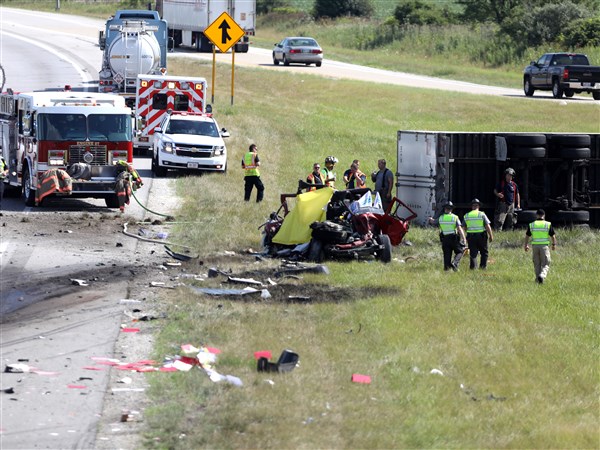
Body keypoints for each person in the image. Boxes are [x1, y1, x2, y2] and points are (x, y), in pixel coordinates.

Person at [428, 201, 466, 271]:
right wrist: (464, 239)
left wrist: (430, 219)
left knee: (447, 255)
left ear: (445, 209)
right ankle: (455, 263)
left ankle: (446, 269)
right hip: (454, 238)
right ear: (451, 209)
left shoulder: (441, 218)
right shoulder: (455, 217)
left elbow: (433, 222)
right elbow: (459, 229)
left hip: (445, 239)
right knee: (460, 251)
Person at [524, 209, 557, 283]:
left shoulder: (532, 224)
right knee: (546, 262)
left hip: (535, 247)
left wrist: (526, 245)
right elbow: (553, 236)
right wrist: (554, 244)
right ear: (544, 215)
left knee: (537, 264)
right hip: (544, 247)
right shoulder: (547, 224)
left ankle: (537, 280)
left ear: (536, 215)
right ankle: (542, 275)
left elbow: (527, 236)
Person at [463, 198, 494, 270]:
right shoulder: (482, 214)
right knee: (484, 252)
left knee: (473, 253)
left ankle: (473, 268)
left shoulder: (467, 215)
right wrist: (491, 235)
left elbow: (463, 227)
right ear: (478, 206)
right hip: (481, 236)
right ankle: (483, 267)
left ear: (472, 206)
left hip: (471, 237)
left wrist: (463, 237)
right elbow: (487, 226)